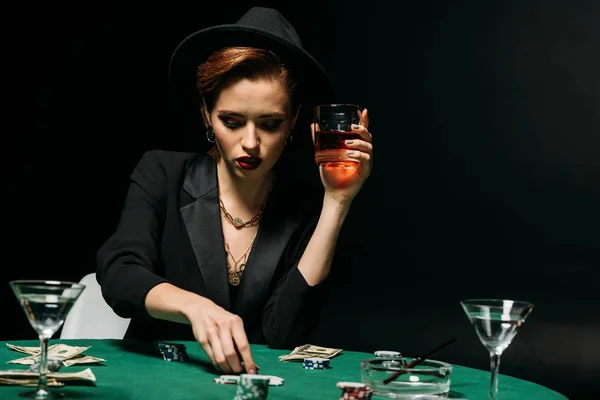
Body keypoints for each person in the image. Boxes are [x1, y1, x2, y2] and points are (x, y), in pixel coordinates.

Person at [96, 7, 373, 375]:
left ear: (292, 122)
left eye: (270, 124)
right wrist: (196, 307)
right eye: (232, 121)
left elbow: (284, 333)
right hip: (157, 384)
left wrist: (337, 202)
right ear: (207, 115)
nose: (250, 143)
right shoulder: (162, 172)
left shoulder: (307, 207)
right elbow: (118, 272)